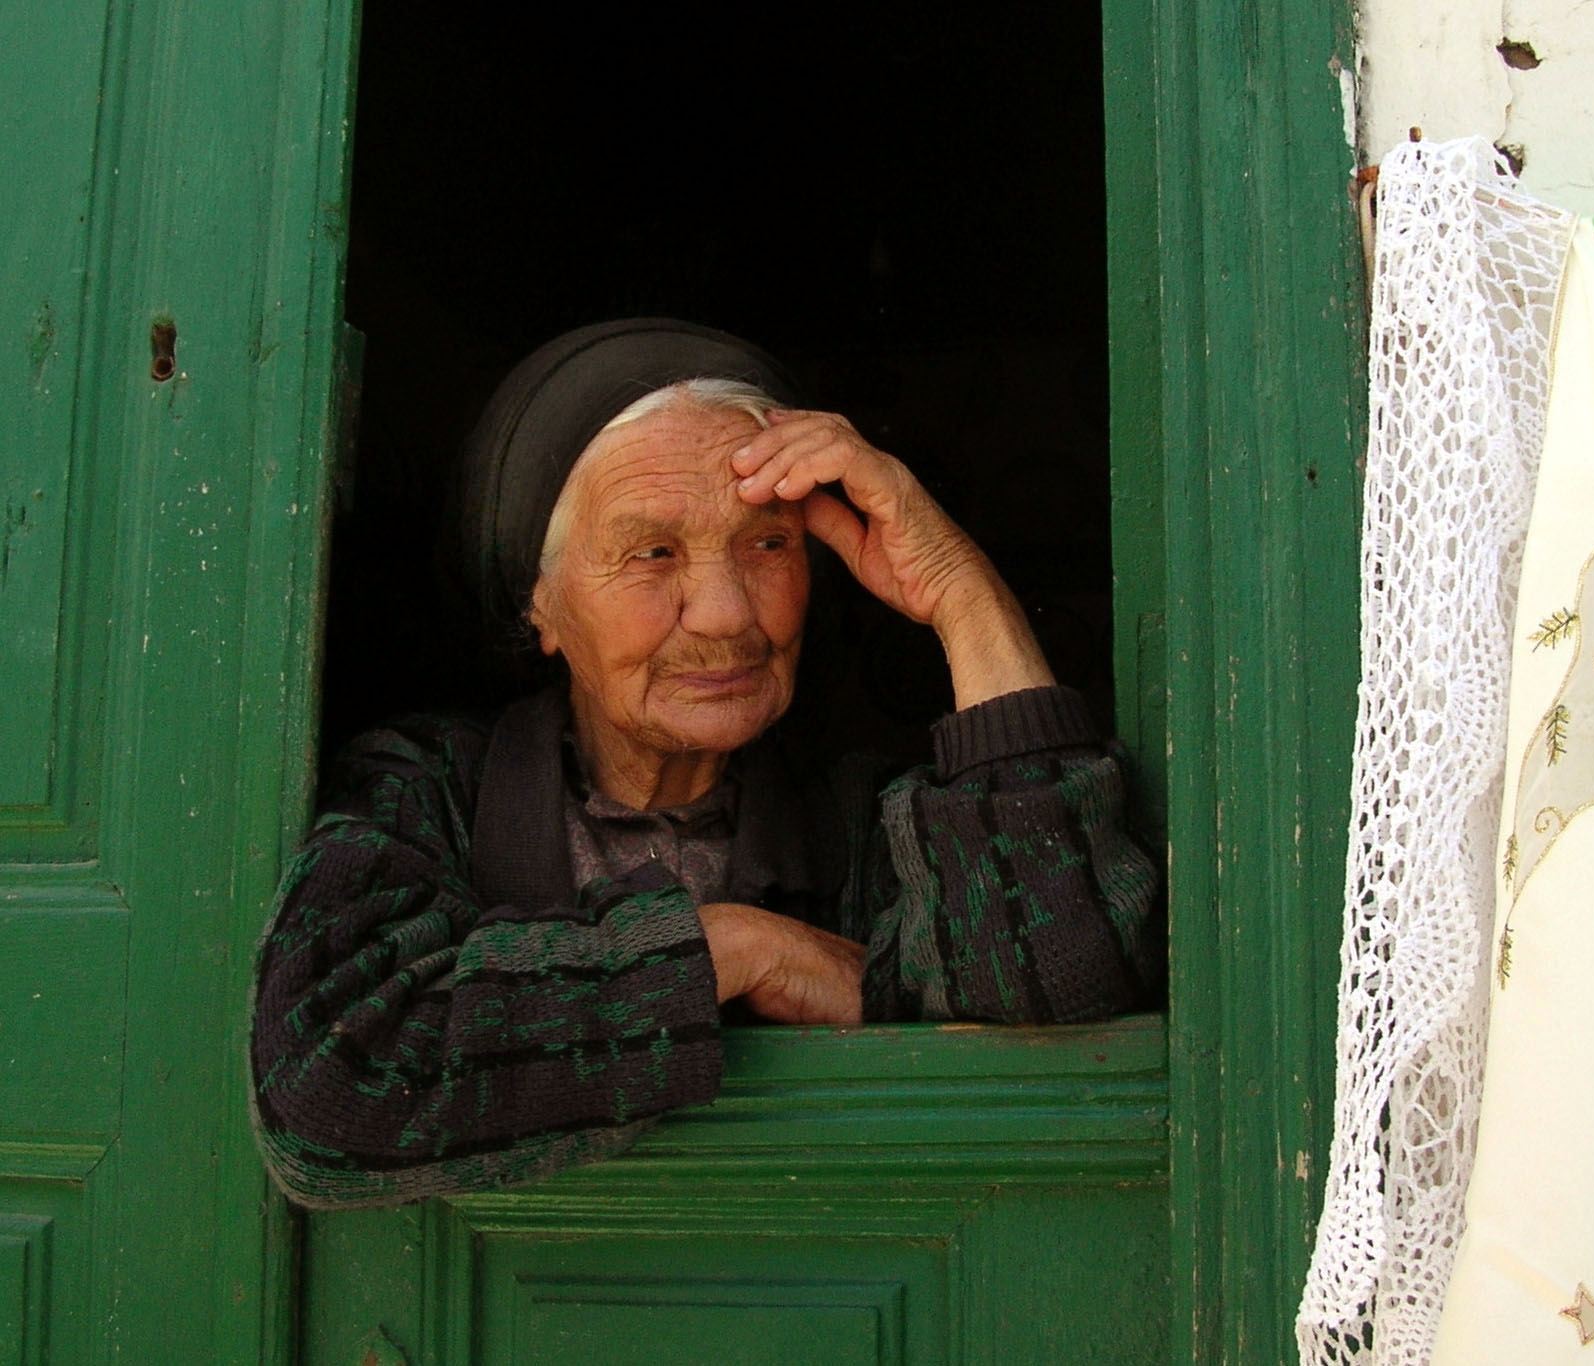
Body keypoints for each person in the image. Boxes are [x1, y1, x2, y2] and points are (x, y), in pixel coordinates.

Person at [249, 320, 1160, 1208]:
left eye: (768, 543)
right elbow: (332, 1083)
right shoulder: (430, 787)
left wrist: (963, 594)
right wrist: (732, 948)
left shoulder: (861, 819)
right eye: (652, 554)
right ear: (541, 604)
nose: (726, 612)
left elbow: (1061, 1006)